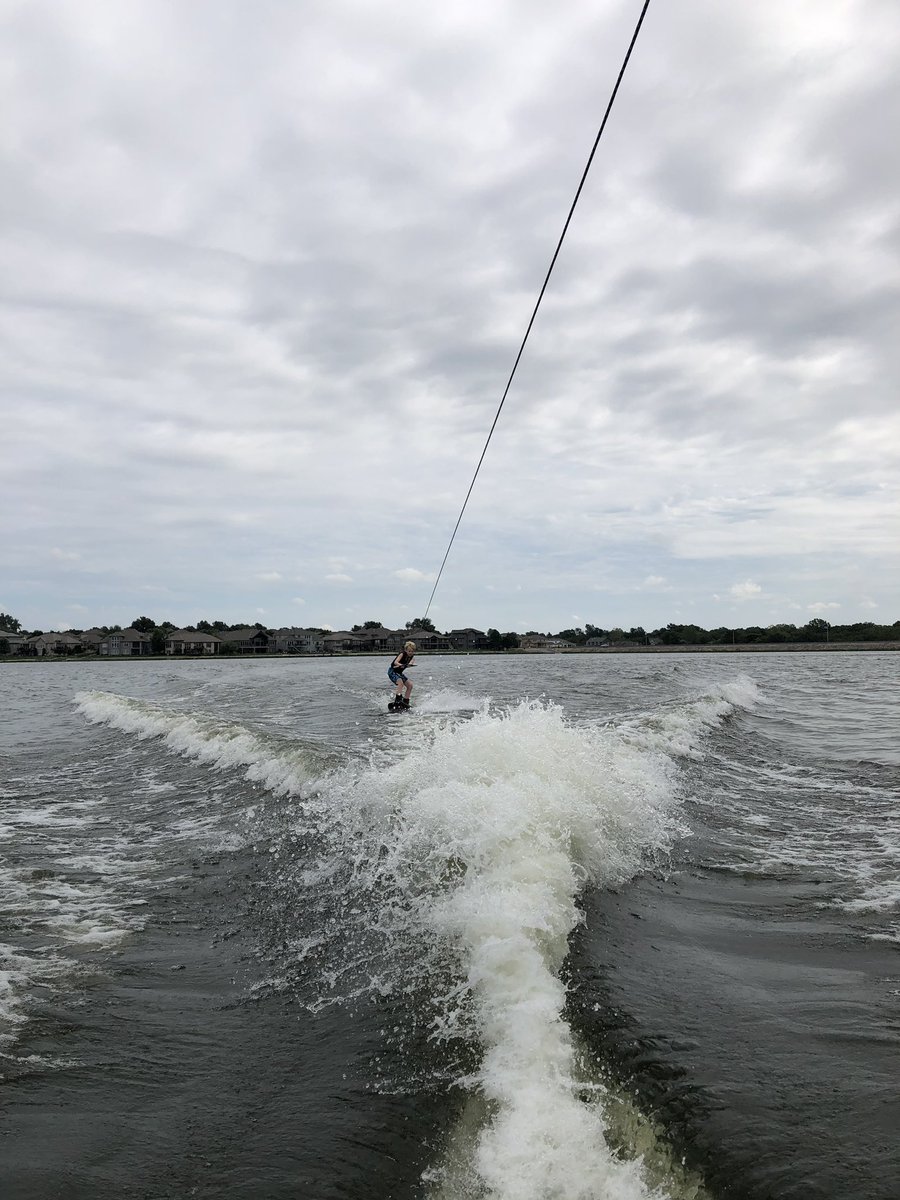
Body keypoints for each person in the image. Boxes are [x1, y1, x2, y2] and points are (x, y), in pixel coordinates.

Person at [388, 641, 416, 708]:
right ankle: (398, 700)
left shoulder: (412, 657)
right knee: (400, 683)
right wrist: (401, 665)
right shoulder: (402, 654)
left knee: (410, 685)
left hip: (399, 673)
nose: (410, 653)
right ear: (406, 650)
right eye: (409, 651)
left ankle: (406, 701)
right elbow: (396, 662)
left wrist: (409, 665)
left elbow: (411, 663)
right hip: (392, 671)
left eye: (412, 651)